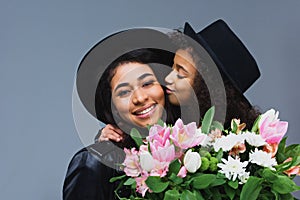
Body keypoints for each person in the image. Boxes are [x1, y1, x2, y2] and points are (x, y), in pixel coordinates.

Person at [98, 19, 261, 143]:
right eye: (172, 67)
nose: (167, 78)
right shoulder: (174, 122)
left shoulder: (234, 148)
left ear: (207, 86)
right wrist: (108, 138)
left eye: (181, 73)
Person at [63, 47, 180, 199]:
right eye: (124, 92)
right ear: (113, 108)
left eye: (147, 84)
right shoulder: (93, 163)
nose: (140, 98)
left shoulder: (194, 146)